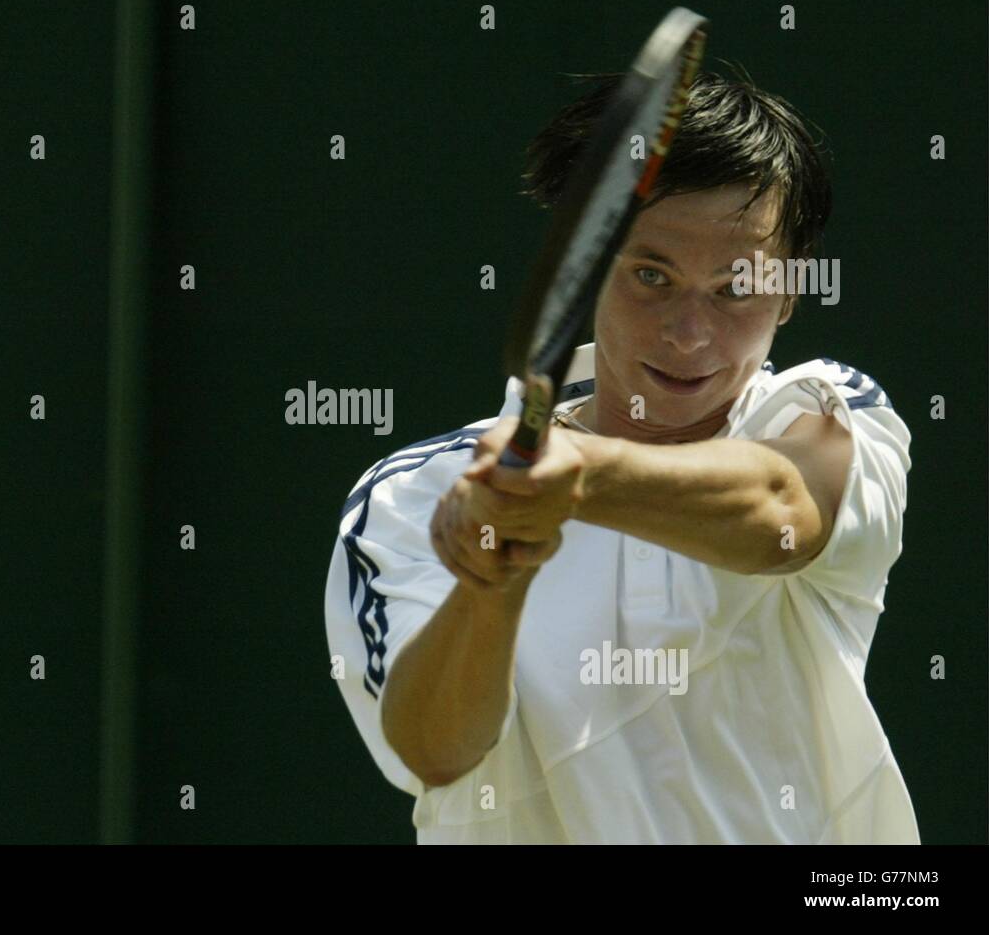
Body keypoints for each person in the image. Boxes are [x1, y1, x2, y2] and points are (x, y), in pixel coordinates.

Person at [323, 71, 919, 843]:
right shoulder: (414, 495)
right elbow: (437, 751)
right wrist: (490, 576)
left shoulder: (824, 412)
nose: (689, 333)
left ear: (791, 292)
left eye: (737, 287)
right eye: (651, 275)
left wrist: (580, 479)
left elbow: (782, 508)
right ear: (583, 265)